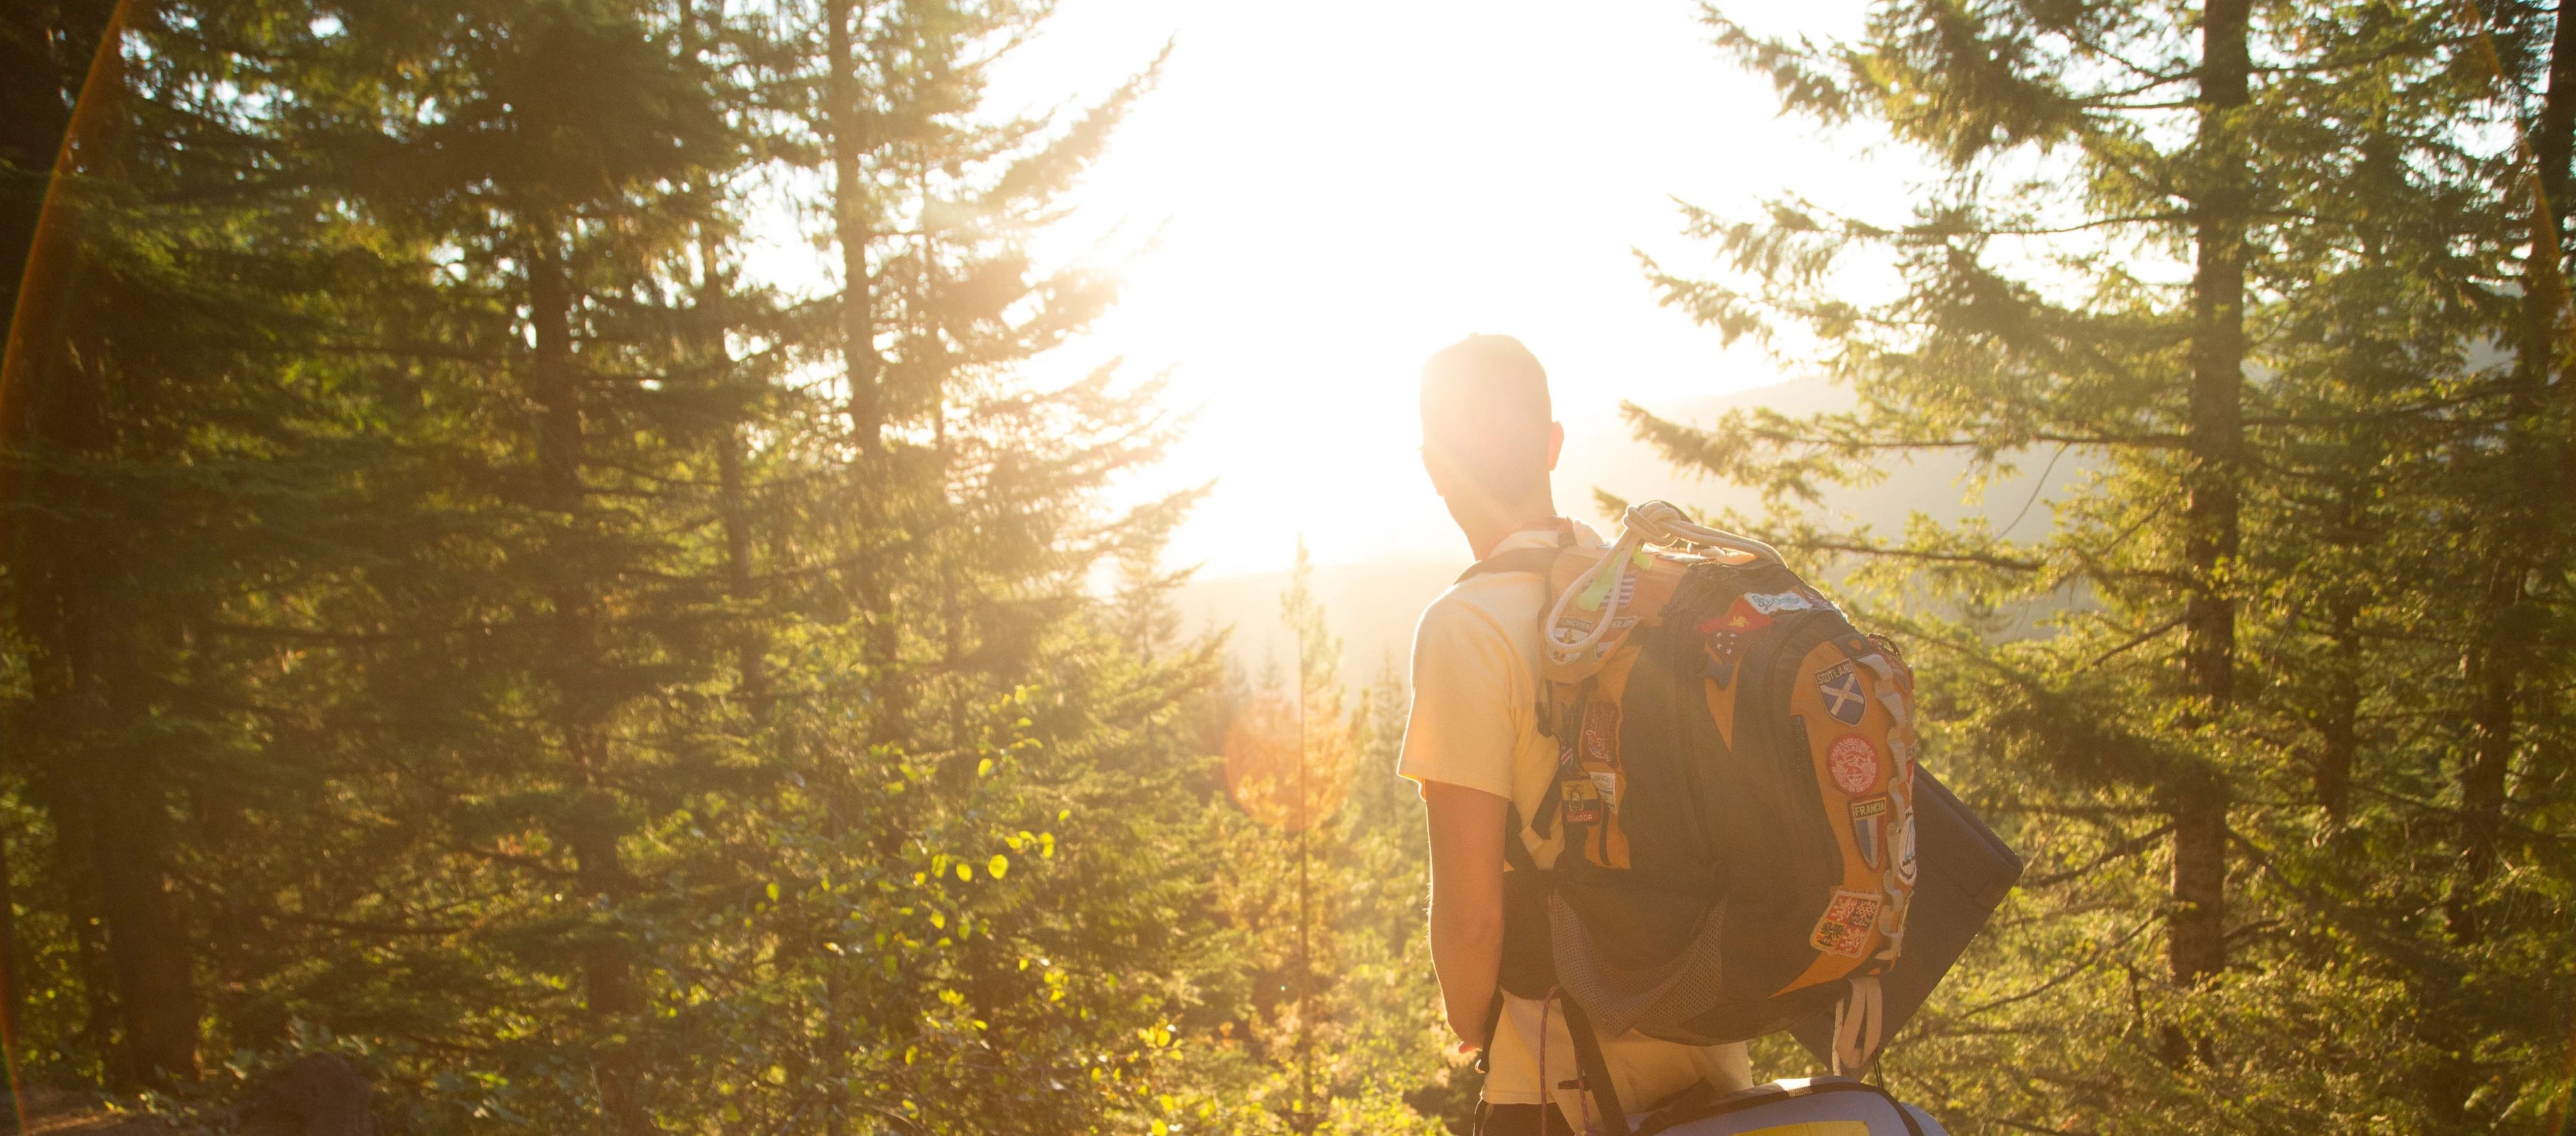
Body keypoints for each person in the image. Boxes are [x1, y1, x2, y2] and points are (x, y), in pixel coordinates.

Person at [1398, 335, 1752, 1135]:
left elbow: (1471, 913)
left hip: (1563, 1072)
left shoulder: (1466, 627)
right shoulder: (1646, 593)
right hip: (1710, 1058)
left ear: (1434, 470)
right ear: (1553, 443)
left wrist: (1468, 1020)